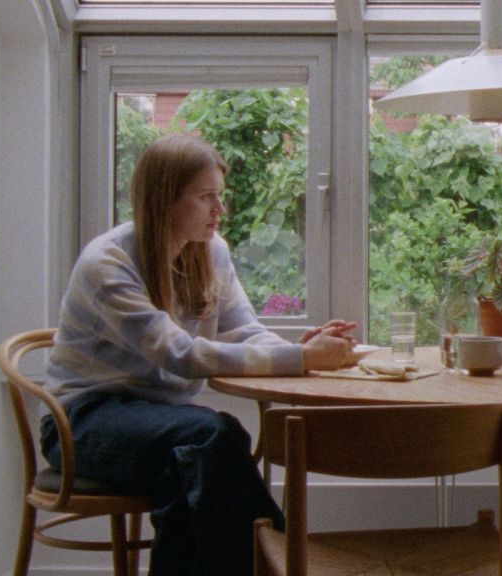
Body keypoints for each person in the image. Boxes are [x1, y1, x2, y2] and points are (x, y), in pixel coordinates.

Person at [42, 133, 357, 576]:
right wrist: (303, 360)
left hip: (165, 424)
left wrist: (298, 350)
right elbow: (180, 355)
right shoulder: (107, 264)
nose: (220, 209)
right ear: (164, 199)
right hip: (83, 422)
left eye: (219, 196)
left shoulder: (211, 252)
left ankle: (276, 562)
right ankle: (280, 561)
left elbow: (244, 330)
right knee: (212, 435)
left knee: (191, 473)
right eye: (207, 197)